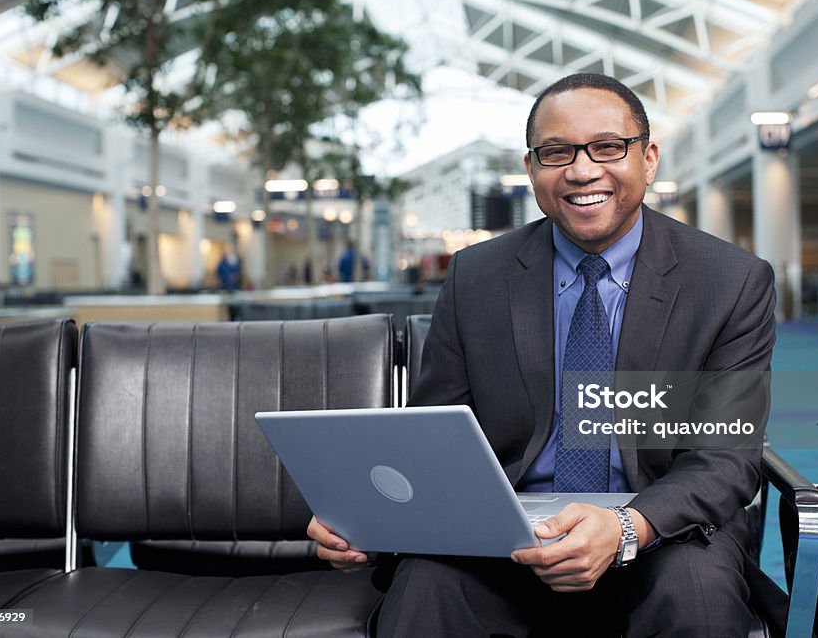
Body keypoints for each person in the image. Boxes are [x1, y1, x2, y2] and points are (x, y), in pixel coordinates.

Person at [308, 73, 776, 636]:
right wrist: (368, 517)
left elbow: (724, 457)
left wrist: (627, 527)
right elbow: (432, 439)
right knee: (426, 589)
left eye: (607, 147)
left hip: (658, 533)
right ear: (531, 169)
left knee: (697, 595)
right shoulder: (477, 277)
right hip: (507, 536)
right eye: (556, 153)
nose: (581, 171)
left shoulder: (729, 282)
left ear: (648, 158)